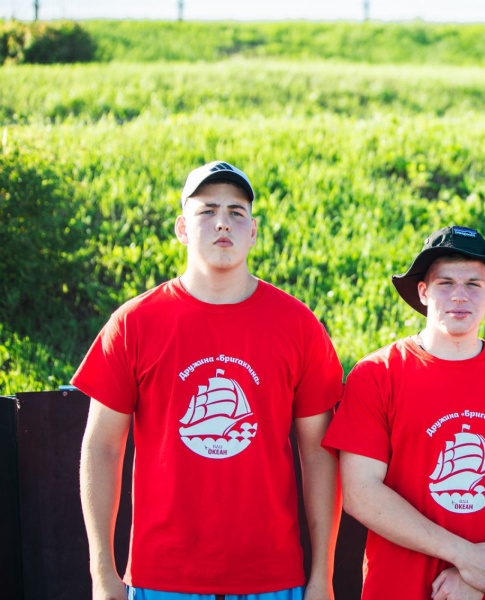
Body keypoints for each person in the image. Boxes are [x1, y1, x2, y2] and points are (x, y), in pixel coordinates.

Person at [75, 161, 343, 600]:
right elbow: (101, 447)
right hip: (161, 578)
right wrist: (102, 575)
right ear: (182, 228)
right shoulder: (133, 324)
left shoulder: (298, 326)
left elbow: (318, 453)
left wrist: (322, 578)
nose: (222, 222)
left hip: (273, 578)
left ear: (253, 232)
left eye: (236, 212)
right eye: (207, 211)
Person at [322, 225, 485, 600]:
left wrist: (480, 573)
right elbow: (361, 492)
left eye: (473, 284)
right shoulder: (377, 375)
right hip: (400, 589)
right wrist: (466, 558)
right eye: (445, 283)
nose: (459, 295)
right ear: (423, 292)